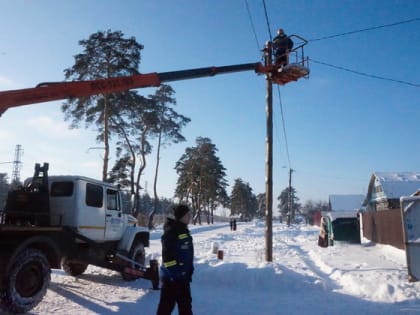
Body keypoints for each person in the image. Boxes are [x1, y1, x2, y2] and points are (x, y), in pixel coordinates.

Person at [157, 204, 194, 315]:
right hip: (171, 279)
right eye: (187, 214)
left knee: (186, 308)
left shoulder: (184, 230)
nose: (190, 216)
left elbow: (187, 253)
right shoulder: (171, 231)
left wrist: (189, 270)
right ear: (181, 216)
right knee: (165, 309)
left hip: (183, 278)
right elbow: (168, 258)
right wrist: (176, 275)